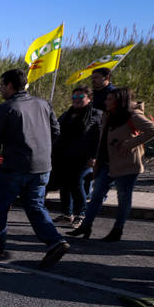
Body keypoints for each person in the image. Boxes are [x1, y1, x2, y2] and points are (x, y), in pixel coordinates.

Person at [0, 68, 69, 267]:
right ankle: (55, 241)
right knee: (35, 206)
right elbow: (56, 130)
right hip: (42, 165)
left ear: (10, 85)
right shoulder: (44, 104)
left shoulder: (6, 108)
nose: (0, 89)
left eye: (1, 85)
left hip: (15, 166)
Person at [68, 87, 154, 242]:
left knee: (123, 199)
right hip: (106, 162)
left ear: (119, 101)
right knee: (96, 196)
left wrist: (129, 144)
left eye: (110, 99)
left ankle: (117, 230)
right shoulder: (108, 114)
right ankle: (86, 226)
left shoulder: (133, 115)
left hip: (126, 164)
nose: (106, 102)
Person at [52, 86, 104, 227]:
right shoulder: (68, 113)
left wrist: (94, 156)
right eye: (74, 97)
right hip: (65, 155)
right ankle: (66, 214)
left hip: (83, 156)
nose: (76, 100)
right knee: (64, 184)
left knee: (76, 183)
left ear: (89, 98)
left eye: (81, 97)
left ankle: (81, 214)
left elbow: (98, 137)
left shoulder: (95, 114)